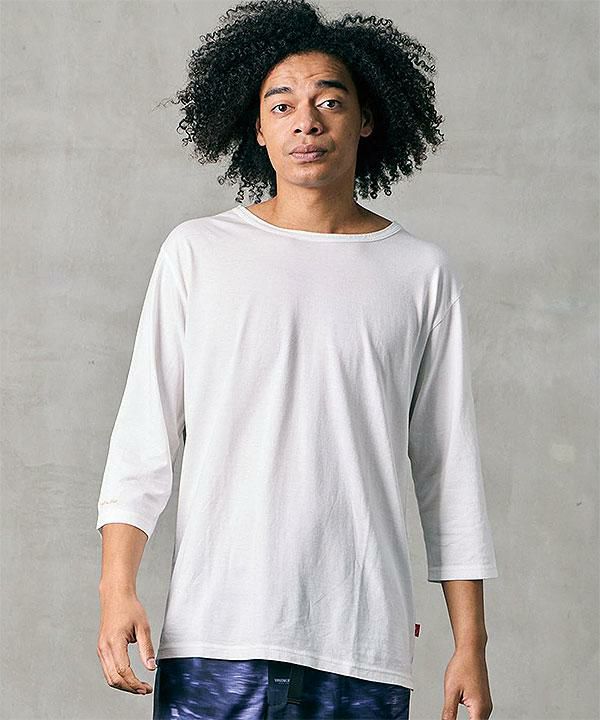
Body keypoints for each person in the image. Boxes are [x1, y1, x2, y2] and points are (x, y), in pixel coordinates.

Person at [95, 1, 499, 718]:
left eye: (329, 102)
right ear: (257, 127)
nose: (305, 122)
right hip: (216, 633)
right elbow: (142, 439)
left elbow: (448, 467)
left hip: (361, 643)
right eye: (281, 105)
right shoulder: (198, 253)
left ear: (366, 119)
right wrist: (115, 588)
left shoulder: (419, 272)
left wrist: (471, 643)